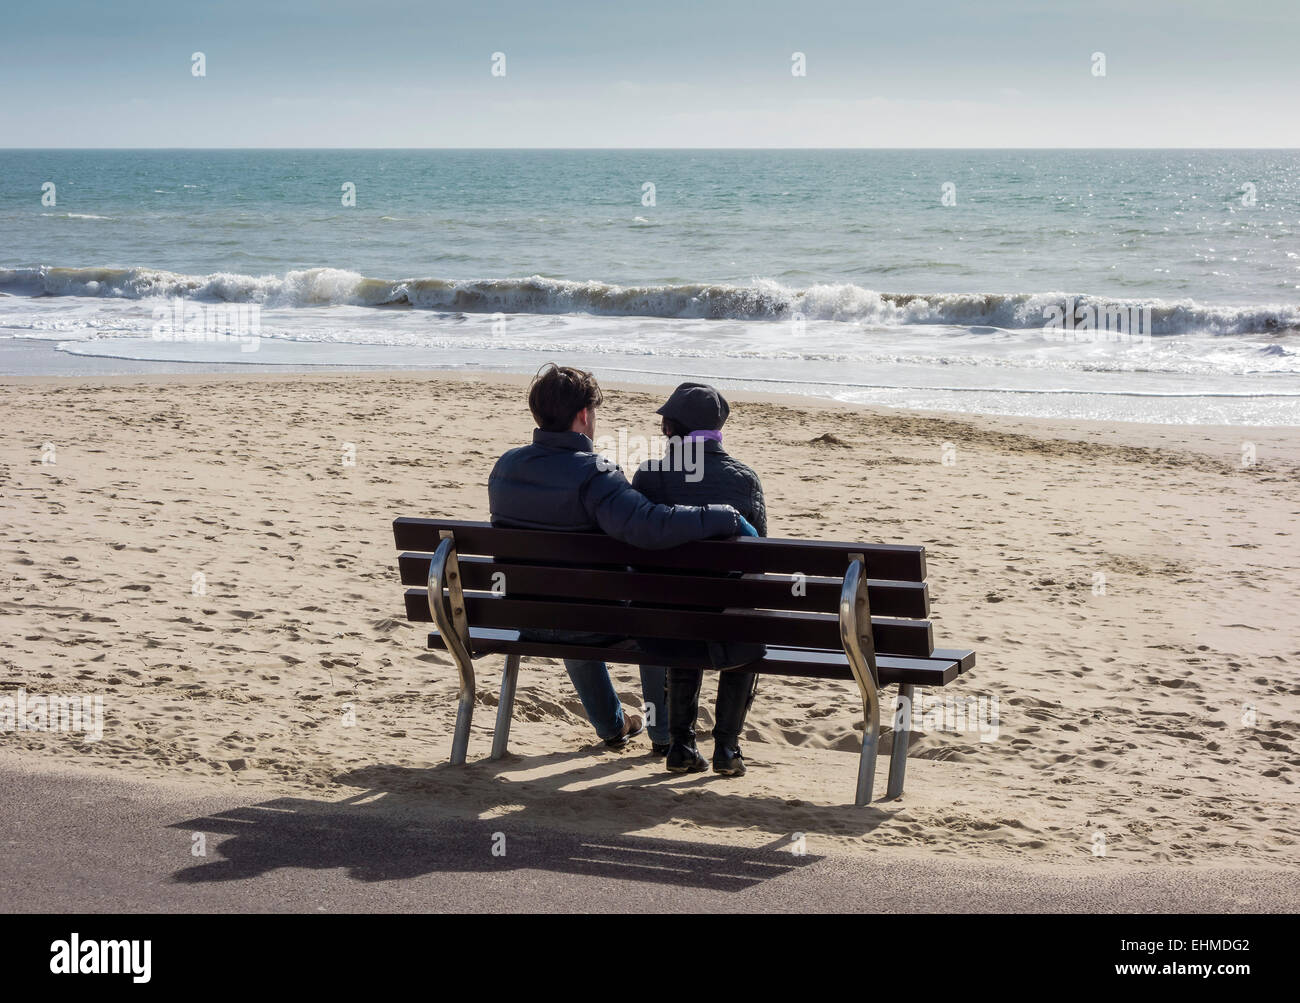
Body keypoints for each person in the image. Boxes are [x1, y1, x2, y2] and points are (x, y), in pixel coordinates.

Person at [488, 364, 757, 749]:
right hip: (591, 621)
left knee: (561, 598)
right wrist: (724, 516)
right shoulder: (594, 474)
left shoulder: (505, 466)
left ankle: (613, 726)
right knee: (644, 609)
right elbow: (650, 525)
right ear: (584, 415)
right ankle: (663, 736)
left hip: (523, 613)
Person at [633, 382, 766, 776]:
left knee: (680, 613)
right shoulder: (744, 479)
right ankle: (727, 749)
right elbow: (756, 557)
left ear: (671, 432)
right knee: (742, 622)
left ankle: (680, 745)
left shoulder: (649, 477)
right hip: (724, 621)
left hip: (665, 624)